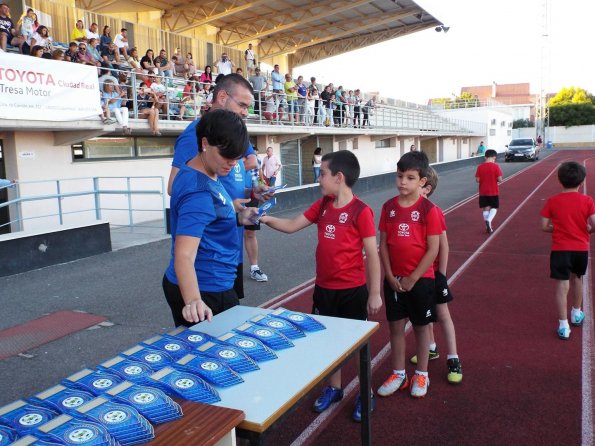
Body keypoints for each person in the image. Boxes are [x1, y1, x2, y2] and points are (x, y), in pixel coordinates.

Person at [259, 150, 382, 422]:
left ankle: (366, 391)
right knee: (327, 343)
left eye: (323, 174)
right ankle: (335, 388)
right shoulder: (323, 205)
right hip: (324, 289)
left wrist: (374, 292)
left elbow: (372, 254)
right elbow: (292, 225)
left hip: (352, 291)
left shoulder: (361, 211)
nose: (319, 179)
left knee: (358, 346)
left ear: (339, 178)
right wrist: (263, 219)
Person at [163, 109, 257, 327]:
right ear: (205, 143)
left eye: (237, 158)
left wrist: (235, 214)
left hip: (207, 281)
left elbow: (208, 215)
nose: (232, 164)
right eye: (226, 156)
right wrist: (194, 300)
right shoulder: (199, 194)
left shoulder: (198, 170)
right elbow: (184, 254)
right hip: (208, 287)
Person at [377, 151, 441, 399]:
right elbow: (383, 245)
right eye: (400, 176)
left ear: (423, 181)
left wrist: (413, 277)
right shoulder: (388, 208)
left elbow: (432, 247)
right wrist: (390, 276)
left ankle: (422, 374)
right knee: (395, 327)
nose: (403, 182)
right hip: (394, 280)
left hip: (421, 281)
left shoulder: (429, 210)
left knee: (421, 328)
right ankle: (399, 373)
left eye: (410, 177)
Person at [409, 167, 463, 384]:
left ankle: (454, 358)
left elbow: (444, 246)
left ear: (426, 188)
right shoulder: (408, 210)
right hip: (419, 274)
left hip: (434, 273)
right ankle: (431, 348)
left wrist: (441, 275)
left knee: (443, 315)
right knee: (425, 316)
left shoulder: (433, 211)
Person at [541, 161, 595, 340]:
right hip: (580, 248)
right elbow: (594, 224)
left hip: (560, 249)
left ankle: (563, 325)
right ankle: (576, 313)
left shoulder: (552, 201)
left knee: (562, 285)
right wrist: (588, 230)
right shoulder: (587, 200)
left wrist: (557, 229)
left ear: (560, 180)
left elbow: (544, 226)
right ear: (581, 181)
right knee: (577, 278)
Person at [475, 149, 503, 234]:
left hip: (483, 191)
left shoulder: (480, 167)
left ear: (485, 157)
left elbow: (477, 180)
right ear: (494, 157)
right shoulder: (496, 166)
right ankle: (489, 220)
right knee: (494, 207)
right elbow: (500, 179)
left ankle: (488, 226)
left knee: (486, 208)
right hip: (493, 191)